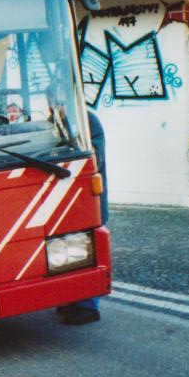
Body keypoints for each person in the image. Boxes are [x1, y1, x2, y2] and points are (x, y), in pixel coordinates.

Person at [59, 107, 107, 325]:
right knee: (72, 250)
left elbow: (94, 157)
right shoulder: (60, 120)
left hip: (88, 200)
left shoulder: (89, 121)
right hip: (69, 200)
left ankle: (89, 306)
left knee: (88, 251)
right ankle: (73, 300)